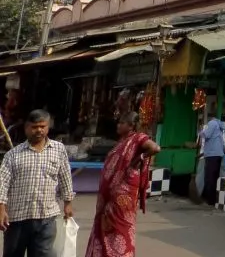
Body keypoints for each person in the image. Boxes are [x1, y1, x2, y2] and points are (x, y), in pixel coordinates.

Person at [84, 111, 160, 257]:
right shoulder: (121, 142)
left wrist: (140, 157)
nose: (118, 125)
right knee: (104, 224)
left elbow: (155, 148)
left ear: (131, 126)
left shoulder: (138, 138)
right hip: (110, 194)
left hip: (123, 194)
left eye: (122, 123)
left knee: (120, 227)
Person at [0, 109, 74, 257]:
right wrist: (1, 209)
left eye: (43, 126)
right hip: (17, 219)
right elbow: (3, 183)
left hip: (46, 217)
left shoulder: (58, 150)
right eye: (34, 127)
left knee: (43, 254)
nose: (39, 130)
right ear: (26, 128)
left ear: (48, 127)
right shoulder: (13, 155)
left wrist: (68, 203)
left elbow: (65, 176)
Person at [200, 116, 225, 206]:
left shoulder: (212, 123)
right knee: (215, 177)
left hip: (212, 154)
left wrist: (201, 131)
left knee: (209, 178)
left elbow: (206, 135)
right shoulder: (219, 124)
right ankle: (214, 198)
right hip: (218, 154)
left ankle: (210, 200)